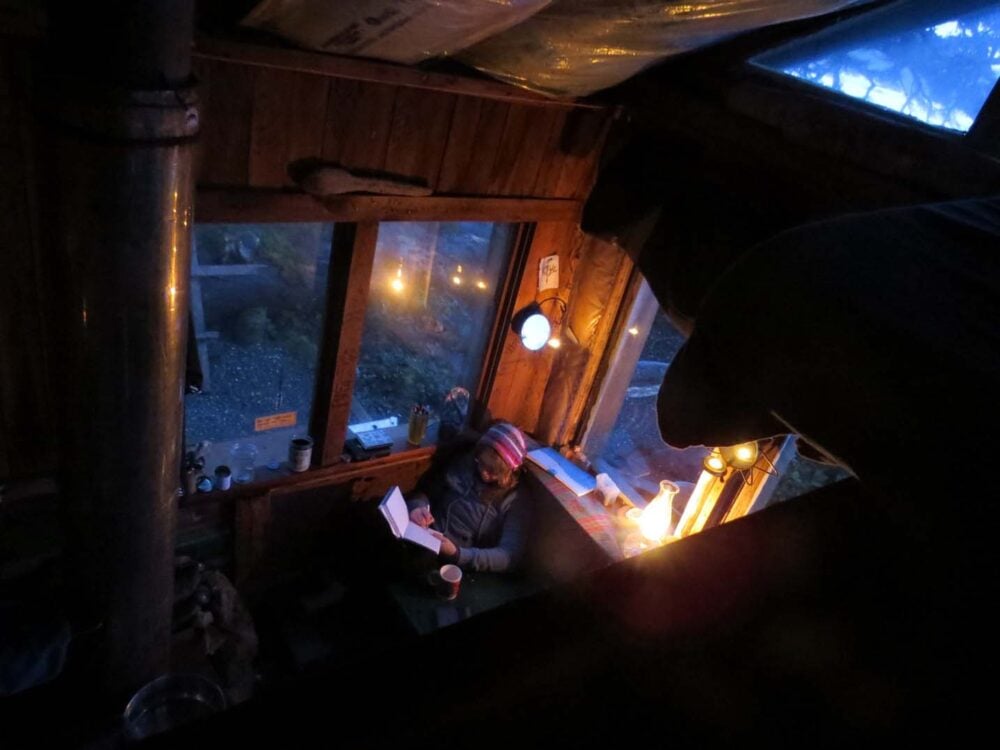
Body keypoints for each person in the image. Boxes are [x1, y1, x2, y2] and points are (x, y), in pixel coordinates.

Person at [406, 421, 530, 573]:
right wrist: (418, 507)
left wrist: (457, 554)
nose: (484, 473)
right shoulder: (464, 463)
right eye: (481, 463)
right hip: (423, 536)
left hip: (458, 562)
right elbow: (426, 490)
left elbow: (508, 556)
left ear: (508, 472)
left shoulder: (514, 499)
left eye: (493, 471)